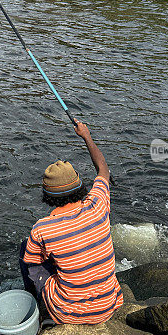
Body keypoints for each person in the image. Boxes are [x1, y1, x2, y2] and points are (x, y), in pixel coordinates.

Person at [20, 120, 123, 324]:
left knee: (27, 252)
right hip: (108, 305)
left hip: (68, 313)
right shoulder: (98, 204)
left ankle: (36, 306)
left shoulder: (42, 228)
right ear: (79, 185)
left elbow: (33, 262)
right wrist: (86, 135)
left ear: (47, 196)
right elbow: (102, 167)